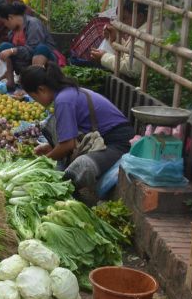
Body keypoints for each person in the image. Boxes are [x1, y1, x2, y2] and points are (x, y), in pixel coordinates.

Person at [20, 63, 135, 204]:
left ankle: (67, 196)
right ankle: (64, 183)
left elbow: (67, 145)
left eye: (34, 97)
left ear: (41, 89)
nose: (36, 102)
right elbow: (68, 138)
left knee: (81, 167)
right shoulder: (66, 94)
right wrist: (50, 148)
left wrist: (39, 164)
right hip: (102, 138)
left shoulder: (63, 100)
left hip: (119, 143)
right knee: (50, 125)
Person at [0, 2, 61, 90]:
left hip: (43, 60)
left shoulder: (33, 24)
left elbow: (33, 49)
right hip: (25, 62)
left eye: (4, 22)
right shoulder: (12, 32)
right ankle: (10, 83)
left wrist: (13, 50)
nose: (5, 26)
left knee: (41, 48)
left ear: (10, 17)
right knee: (4, 46)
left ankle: (34, 85)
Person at [89, 0, 153, 77]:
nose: (120, 24)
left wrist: (103, 57)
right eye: (119, 19)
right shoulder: (140, 30)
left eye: (124, 18)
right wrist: (115, 38)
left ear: (140, 17)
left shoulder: (146, 34)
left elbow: (131, 68)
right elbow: (130, 53)